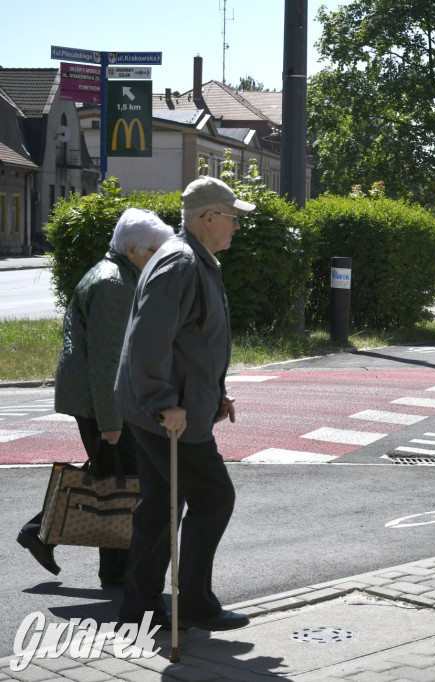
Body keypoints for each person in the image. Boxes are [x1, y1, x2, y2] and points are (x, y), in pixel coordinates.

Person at [114, 176, 254, 631]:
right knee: (214, 498)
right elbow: (148, 340)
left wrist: (214, 393)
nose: (236, 227)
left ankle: (139, 610)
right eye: (232, 218)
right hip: (167, 414)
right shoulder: (181, 262)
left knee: (161, 506)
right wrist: (162, 403)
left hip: (169, 407)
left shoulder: (192, 258)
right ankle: (193, 603)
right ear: (208, 217)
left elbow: (190, 342)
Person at [17, 208, 173, 586]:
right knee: (119, 482)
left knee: (112, 474)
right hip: (100, 400)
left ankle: (40, 533)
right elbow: (106, 363)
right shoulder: (114, 284)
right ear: (133, 250)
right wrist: (111, 421)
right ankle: (116, 575)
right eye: (155, 251)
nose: (160, 258)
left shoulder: (122, 274)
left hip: (103, 397)